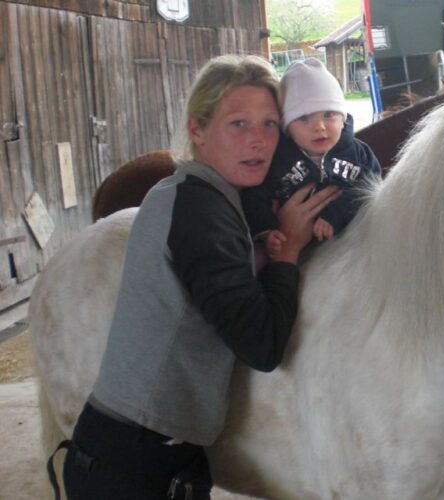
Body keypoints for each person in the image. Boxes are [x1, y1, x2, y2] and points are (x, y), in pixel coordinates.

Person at [48, 54, 339, 499]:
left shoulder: (190, 193)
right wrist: (291, 250)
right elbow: (262, 345)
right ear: (197, 130)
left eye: (268, 125)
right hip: (137, 464)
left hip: (145, 452)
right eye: (238, 124)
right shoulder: (201, 213)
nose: (259, 141)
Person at [241, 58, 381, 257]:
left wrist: (335, 214)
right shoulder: (278, 159)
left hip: (351, 242)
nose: (319, 127)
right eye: (304, 118)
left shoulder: (358, 154)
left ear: (343, 118)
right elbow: (255, 196)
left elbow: (371, 187)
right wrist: (267, 230)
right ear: (287, 128)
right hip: (297, 250)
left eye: (329, 114)